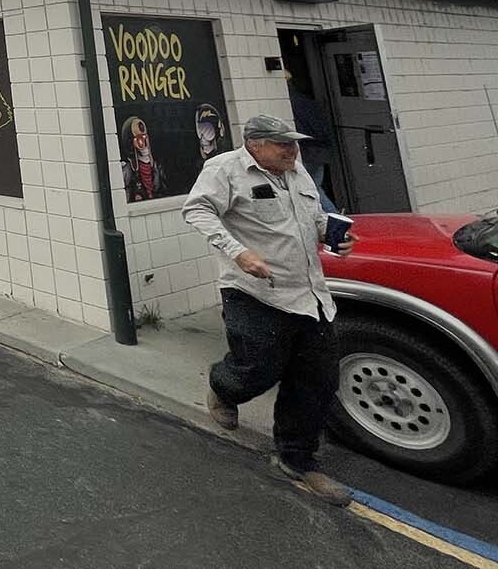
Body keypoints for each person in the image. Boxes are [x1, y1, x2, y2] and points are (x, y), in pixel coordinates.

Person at [181, 115, 357, 507]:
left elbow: (312, 220)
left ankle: (297, 458)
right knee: (258, 367)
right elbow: (197, 210)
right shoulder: (225, 169)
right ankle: (223, 387)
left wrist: (333, 237)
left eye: (294, 144)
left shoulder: (298, 174)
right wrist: (238, 253)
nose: (293, 151)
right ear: (256, 144)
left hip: (310, 294)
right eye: (283, 145)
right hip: (254, 292)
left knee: (319, 378)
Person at [289, 87, 338, 213]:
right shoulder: (307, 102)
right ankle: (335, 220)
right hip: (319, 150)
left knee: (310, 190)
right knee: (315, 189)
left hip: (307, 151)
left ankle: (335, 221)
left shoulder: (289, 102)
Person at [119, 116, 164, 201]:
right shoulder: (128, 170)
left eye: (145, 137)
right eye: (139, 139)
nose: (143, 143)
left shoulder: (156, 166)